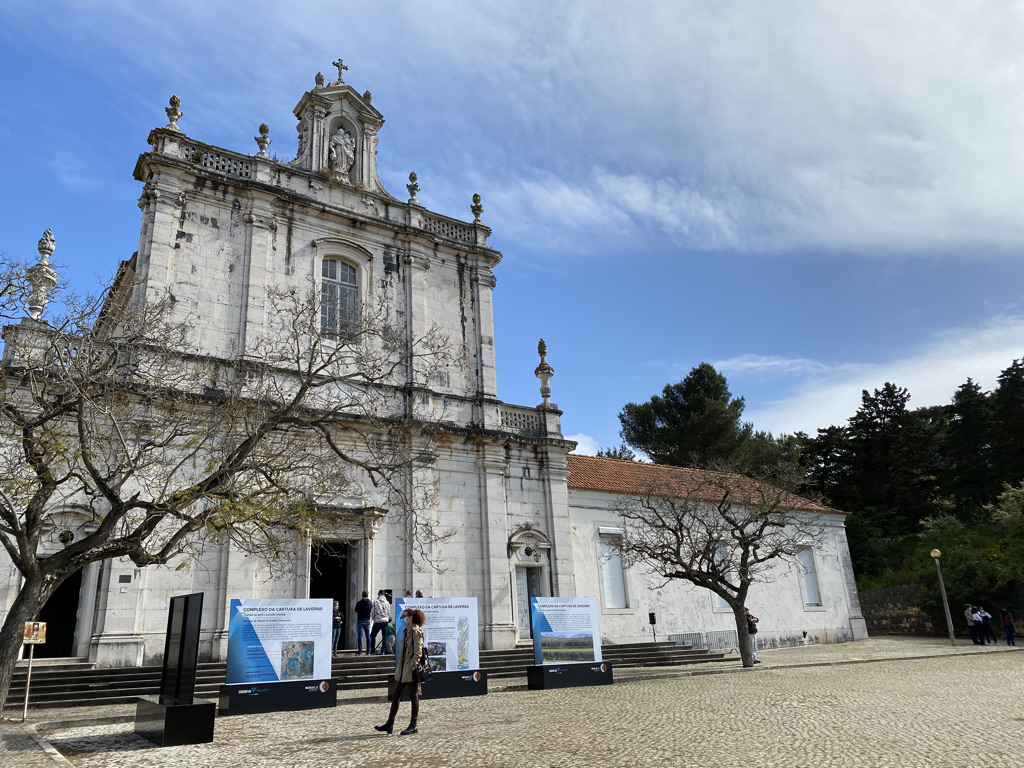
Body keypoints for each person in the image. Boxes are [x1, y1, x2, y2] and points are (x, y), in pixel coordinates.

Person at [375, 607, 425, 736]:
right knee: (396, 695)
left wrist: (412, 666)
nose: (402, 619)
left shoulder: (416, 632)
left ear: (411, 618)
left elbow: (418, 652)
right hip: (402, 669)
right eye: (401, 617)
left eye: (404, 617)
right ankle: (389, 723)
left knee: (414, 697)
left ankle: (413, 724)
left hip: (410, 669)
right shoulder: (404, 631)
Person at [370, 590, 391, 655]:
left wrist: (374, 619)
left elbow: (372, 612)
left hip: (378, 620)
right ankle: (383, 650)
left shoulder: (376, 602)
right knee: (384, 636)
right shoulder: (387, 602)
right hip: (385, 620)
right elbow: (389, 612)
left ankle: (372, 650)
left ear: (379, 594)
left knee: (373, 635)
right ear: (384, 595)